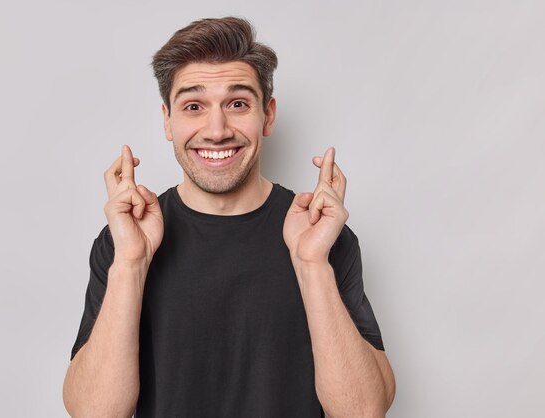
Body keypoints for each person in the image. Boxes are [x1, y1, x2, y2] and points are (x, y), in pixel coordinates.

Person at [63, 16, 395, 418]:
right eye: (193, 106)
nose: (216, 130)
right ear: (168, 119)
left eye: (237, 103)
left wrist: (312, 264)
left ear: (267, 116)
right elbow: (94, 413)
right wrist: (131, 263)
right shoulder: (125, 240)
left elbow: (363, 411)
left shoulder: (320, 234)